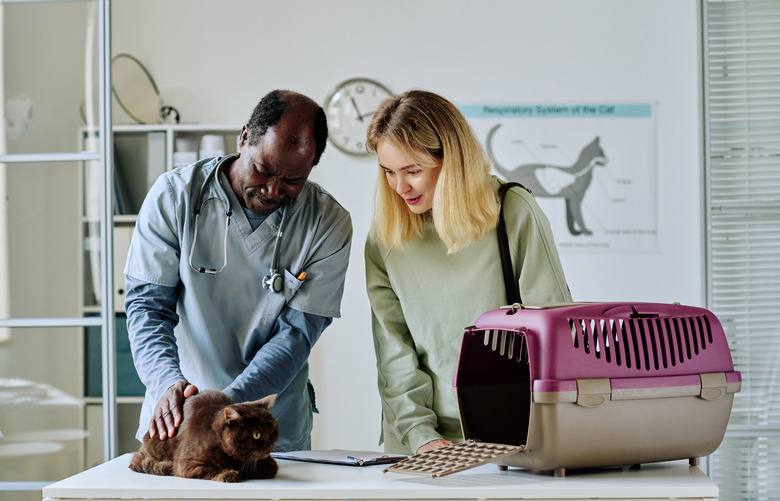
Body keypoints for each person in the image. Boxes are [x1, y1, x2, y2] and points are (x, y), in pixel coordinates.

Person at [125, 90, 353, 452]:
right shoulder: (174, 197)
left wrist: (225, 407)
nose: (273, 190)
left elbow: (296, 335)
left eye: (292, 180)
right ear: (244, 137)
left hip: (270, 428)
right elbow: (148, 309)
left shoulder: (327, 223)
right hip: (179, 417)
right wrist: (168, 383)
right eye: (262, 169)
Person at [364, 89, 571, 456]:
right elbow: (394, 350)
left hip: (513, 436)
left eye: (413, 171)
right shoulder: (386, 235)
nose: (400, 187)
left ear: (452, 159)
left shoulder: (512, 211)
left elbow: (555, 334)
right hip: (419, 441)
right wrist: (420, 435)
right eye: (389, 172)